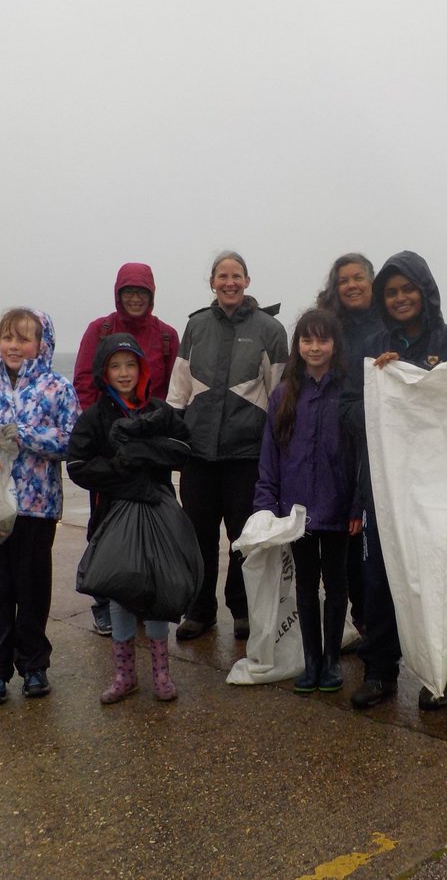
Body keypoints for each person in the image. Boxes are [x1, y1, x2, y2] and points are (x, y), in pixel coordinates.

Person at [342, 250, 447, 711]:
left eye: (408, 289)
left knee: (437, 577)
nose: (400, 298)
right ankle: (379, 671)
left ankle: (444, 670)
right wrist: (383, 391)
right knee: (381, 580)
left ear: (425, 291)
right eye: (391, 292)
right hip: (387, 490)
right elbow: (348, 413)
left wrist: (420, 383)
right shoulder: (369, 347)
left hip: (439, 491)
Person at [0, 308, 78, 706]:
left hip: (36, 508)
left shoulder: (57, 388)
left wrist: (23, 434)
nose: (14, 346)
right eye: (8, 337)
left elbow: (70, 441)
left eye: (24, 338)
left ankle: (34, 666)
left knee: (32, 589)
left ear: (42, 344)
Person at [166, 251, 288, 641]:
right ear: (213, 282)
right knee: (199, 537)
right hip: (198, 453)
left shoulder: (270, 329)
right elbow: (178, 389)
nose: (229, 282)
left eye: (237, 275)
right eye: (222, 276)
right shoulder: (196, 326)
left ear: (248, 281)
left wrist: (278, 455)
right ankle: (200, 610)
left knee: (243, 537)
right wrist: (172, 437)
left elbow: (279, 396)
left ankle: (242, 609)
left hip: (246, 455)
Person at [67, 333, 194, 704]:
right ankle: (124, 676)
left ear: (142, 369)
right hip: (114, 514)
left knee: (158, 589)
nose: (124, 373)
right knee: (121, 593)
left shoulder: (158, 410)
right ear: (104, 372)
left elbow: (185, 450)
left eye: (131, 365)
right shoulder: (95, 417)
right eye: (115, 366)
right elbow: (77, 466)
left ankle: (161, 674)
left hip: (159, 510)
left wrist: (145, 449)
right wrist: (120, 467)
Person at [73, 262, 180, 636]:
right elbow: (85, 380)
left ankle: (143, 592)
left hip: (149, 440)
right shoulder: (99, 330)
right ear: (118, 294)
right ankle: (104, 599)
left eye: (142, 292)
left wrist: (153, 427)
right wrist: (103, 428)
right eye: (128, 292)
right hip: (108, 442)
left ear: (152, 295)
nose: (135, 298)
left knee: (153, 522)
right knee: (104, 523)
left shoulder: (166, 335)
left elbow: (173, 388)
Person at [253, 308, 355, 694]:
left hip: (339, 507)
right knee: (306, 586)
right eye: (307, 340)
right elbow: (270, 456)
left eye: (322, 339)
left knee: (338, 583)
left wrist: (357, 506)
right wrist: (267, 504)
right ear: (297, 345)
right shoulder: (283, 394)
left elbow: (362, 456)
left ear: (334, 344)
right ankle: (312, 662)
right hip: (297, 512)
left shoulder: (348, 392)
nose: (315, 347)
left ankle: (332, 661)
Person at [315, 253, 382, 637]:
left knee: (377, 533)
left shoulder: (388, 323)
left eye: (359, 277)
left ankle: (378, 615)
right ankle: (360, 616)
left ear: (372, 282)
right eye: (344, 280)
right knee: (348, 533)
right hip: (338, 436)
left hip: (378, 439)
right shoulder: (329, 325)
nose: (352, 285)